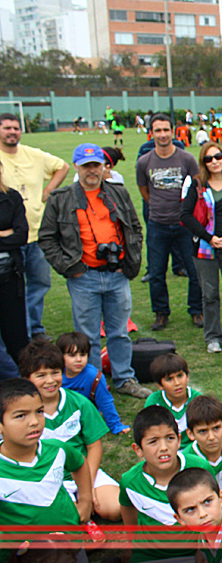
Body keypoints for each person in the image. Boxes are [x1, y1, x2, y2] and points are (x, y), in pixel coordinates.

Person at [40, 142, 150, 399]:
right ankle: (94, 384)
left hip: (116, 274)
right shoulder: (61, 198)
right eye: (86, 166)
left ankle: (125, 379)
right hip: (83, 276)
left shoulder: (118, 193)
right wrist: (69, 266)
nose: (92, 171)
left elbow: (134, 227)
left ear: (104, 167)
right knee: (87, 336)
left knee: (119, 332)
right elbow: (47, 237)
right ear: (76, 167)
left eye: (96, 165)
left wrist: (129, 260)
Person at [118, 406, 216, 563]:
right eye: (153, 441)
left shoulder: (200, 469)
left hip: (192, 557)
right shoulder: (130, 481)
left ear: (179, 440)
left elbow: (214, 514)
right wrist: (131, 544)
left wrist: (204, 550)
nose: (163, 448)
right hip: (148, 558)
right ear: (138, 449)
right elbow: (127, 507)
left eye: (169, 438)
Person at [19, 340, 119, 521]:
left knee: (115, 508)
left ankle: (82, 510)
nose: (50, 381)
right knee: (63, 516)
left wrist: (86, 488)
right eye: (41, 375)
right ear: (27, 378)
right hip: (45, 478)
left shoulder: (79, 403)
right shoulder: (21, 413)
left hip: (85, 472)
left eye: (55, 373)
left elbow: (94, 447)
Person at [0, 378, 92, 563]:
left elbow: (80, 464)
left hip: (71, 547)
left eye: (39, 412)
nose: (34, 422)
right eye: (20, 416)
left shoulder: (57, 449)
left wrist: (85, 501)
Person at [0, 113, 69, 342]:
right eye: (7, 128)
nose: (12, 132)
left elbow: (62, 166)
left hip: (37, 233)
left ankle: (34, 329)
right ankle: (17, 330)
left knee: (39, 283)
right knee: (12, 289)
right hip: (8, 240)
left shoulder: (33, 155)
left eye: (16, 128)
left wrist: (48, 190)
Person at [180, 141, 222, 353]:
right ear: (203, 162)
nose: (214, 162)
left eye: (218, 156)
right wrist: (209, 238)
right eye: (209, 158)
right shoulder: (197, 184)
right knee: (209, 294)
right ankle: (213, 337)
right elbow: (185, 215)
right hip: (205, 248)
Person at [136, 113, 203, 331]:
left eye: (166, 130)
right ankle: (161, 312)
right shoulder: (144, 161)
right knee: (156, 272)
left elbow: (197, 188)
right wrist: (158, 205)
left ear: (173, 131)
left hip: (185, 225)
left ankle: (196, 310)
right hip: (157, 224)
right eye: (158, 130)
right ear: (151, 133)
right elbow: (144, 190)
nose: (163, 134)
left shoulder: (186, 159)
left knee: (195, 270)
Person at [57, 331, 129, 435]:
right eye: (72, 355)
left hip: (84, 414)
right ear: (61, 356)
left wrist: (116, 426)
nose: (78, 360)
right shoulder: (54, 375)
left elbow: (105, 401)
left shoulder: (94, 376)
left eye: (82, 355)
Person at [0, 160, 28, 377]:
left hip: (10, 277)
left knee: (16, 336)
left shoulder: (12, 198)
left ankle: (21, 383)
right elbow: (13, 235)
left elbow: (21, 235)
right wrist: (4, 233)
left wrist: (12, 235)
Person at [143, 353, 201, 449]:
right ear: (160, 385)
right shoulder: (154, 402)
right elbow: (151, 434)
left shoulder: (198, 400)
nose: (177, 383)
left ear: (187, 376)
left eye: (180, 376)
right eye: (169, 379)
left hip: (193, 449)